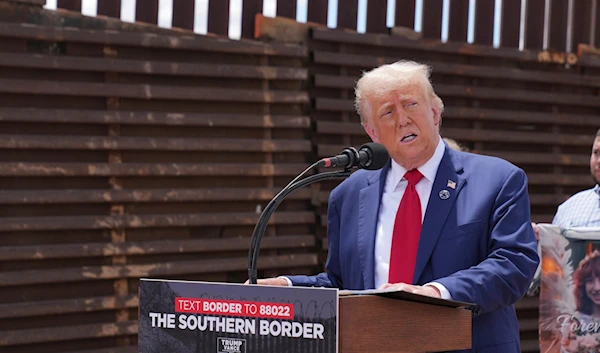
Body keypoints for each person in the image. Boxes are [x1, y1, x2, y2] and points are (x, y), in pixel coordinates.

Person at [251, 61, 539, 353]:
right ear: (372, 132)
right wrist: (289, 289)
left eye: (411, 104)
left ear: (435, 113)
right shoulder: (348, 195)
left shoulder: (498, 180)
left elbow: (513, 263)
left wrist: (436, 293)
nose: (402, 120)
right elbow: (345, 283)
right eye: (387, 112)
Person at [532, 129, 600, 239]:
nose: (599, 161)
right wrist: (536, 240)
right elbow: (553, 252)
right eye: (596, 152)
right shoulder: (568, 207)